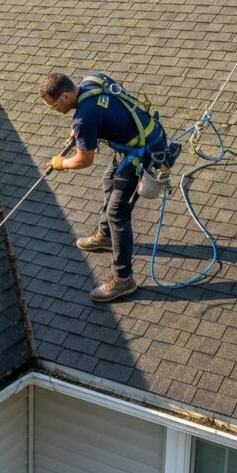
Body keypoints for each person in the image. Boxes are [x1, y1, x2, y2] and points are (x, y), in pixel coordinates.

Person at [38, 71, 167, 302]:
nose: (53, 110)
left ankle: (123, 279)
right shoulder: (92, 79)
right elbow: (103, 110)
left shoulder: (84, 119)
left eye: (53, 105)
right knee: (109, 179)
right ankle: (106, 237)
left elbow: (84, 160)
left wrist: (60, 163)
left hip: (143, 154)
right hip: (139, 140)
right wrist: (78, 132)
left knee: (117, 213)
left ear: (66, 96)